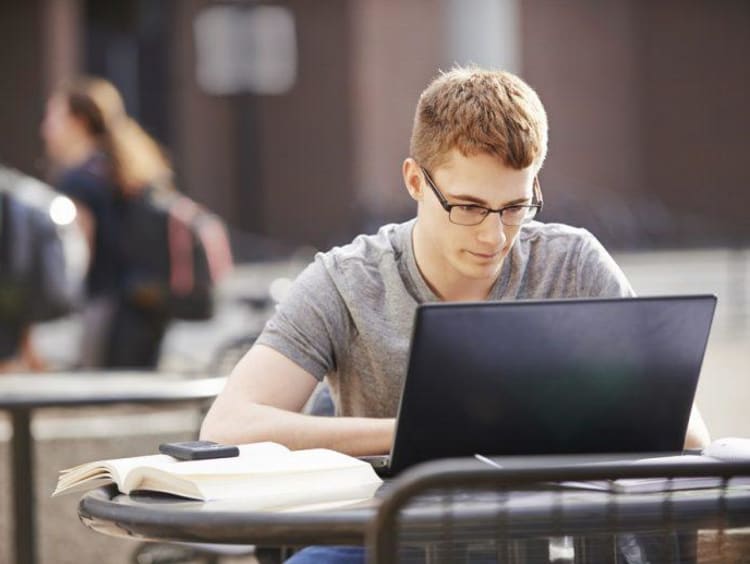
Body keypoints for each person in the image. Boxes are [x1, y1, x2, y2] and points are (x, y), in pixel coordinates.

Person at [200, 67, 710, 562]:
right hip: (396, 536)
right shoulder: (347, 280)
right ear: (415, 182)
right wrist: (420, 432)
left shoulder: (572, 263)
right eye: (467, 207)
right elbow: (229, 426)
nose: (494, 237)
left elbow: (687, 433)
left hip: (557, 539)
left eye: (516, 207)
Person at [40, 77, 173, 368]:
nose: (45, 129)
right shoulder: (123, 167)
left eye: (53, 117)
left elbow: (75, 256)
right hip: (144, 304)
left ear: (79, 122)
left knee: (96, 401)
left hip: (104, 311)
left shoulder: (78, 180)